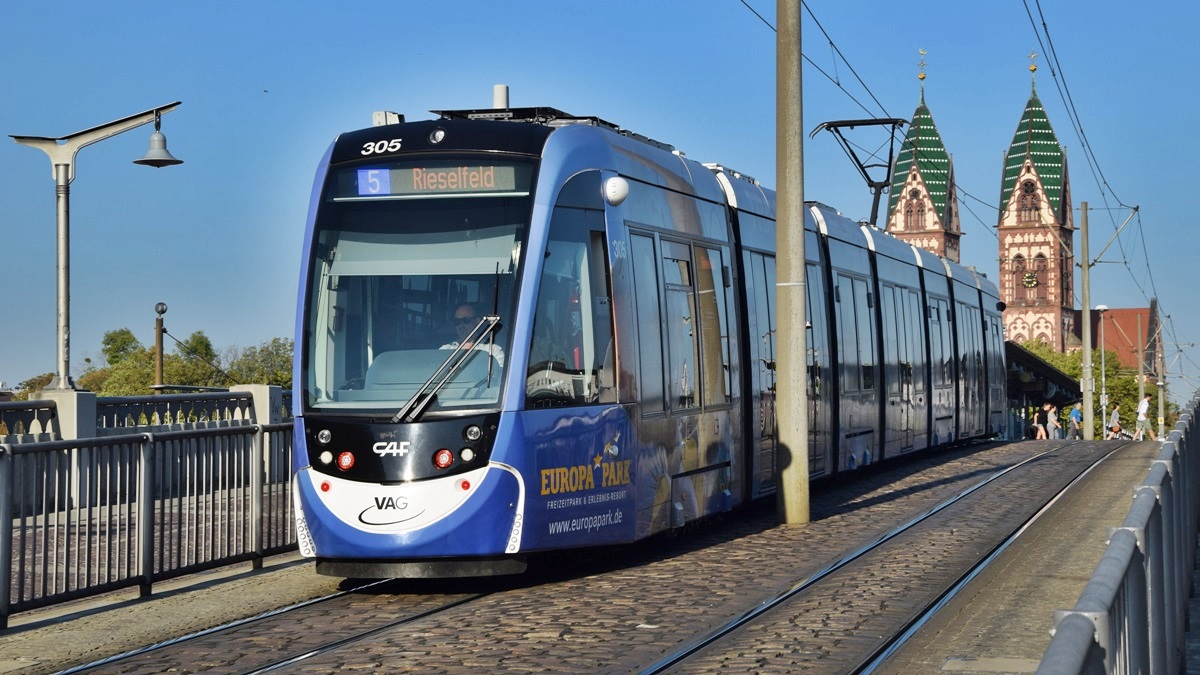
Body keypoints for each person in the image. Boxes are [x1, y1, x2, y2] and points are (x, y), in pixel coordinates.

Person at [440, 303, 505, 367]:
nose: (461, 325)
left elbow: (500, 375)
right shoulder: (445, 349)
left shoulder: (492, 350)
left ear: (477, 321)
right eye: (457, 321)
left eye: (465, 320)